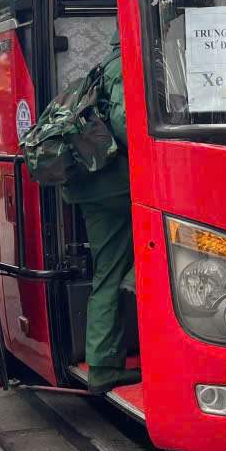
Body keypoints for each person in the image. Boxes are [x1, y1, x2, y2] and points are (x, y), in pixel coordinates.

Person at [66, 35, 137, 393]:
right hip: (117, 184)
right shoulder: (129, 64)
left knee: (107, 270)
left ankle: (103, 368)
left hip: (91, 183)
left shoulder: (102, 67)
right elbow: (126, 124)